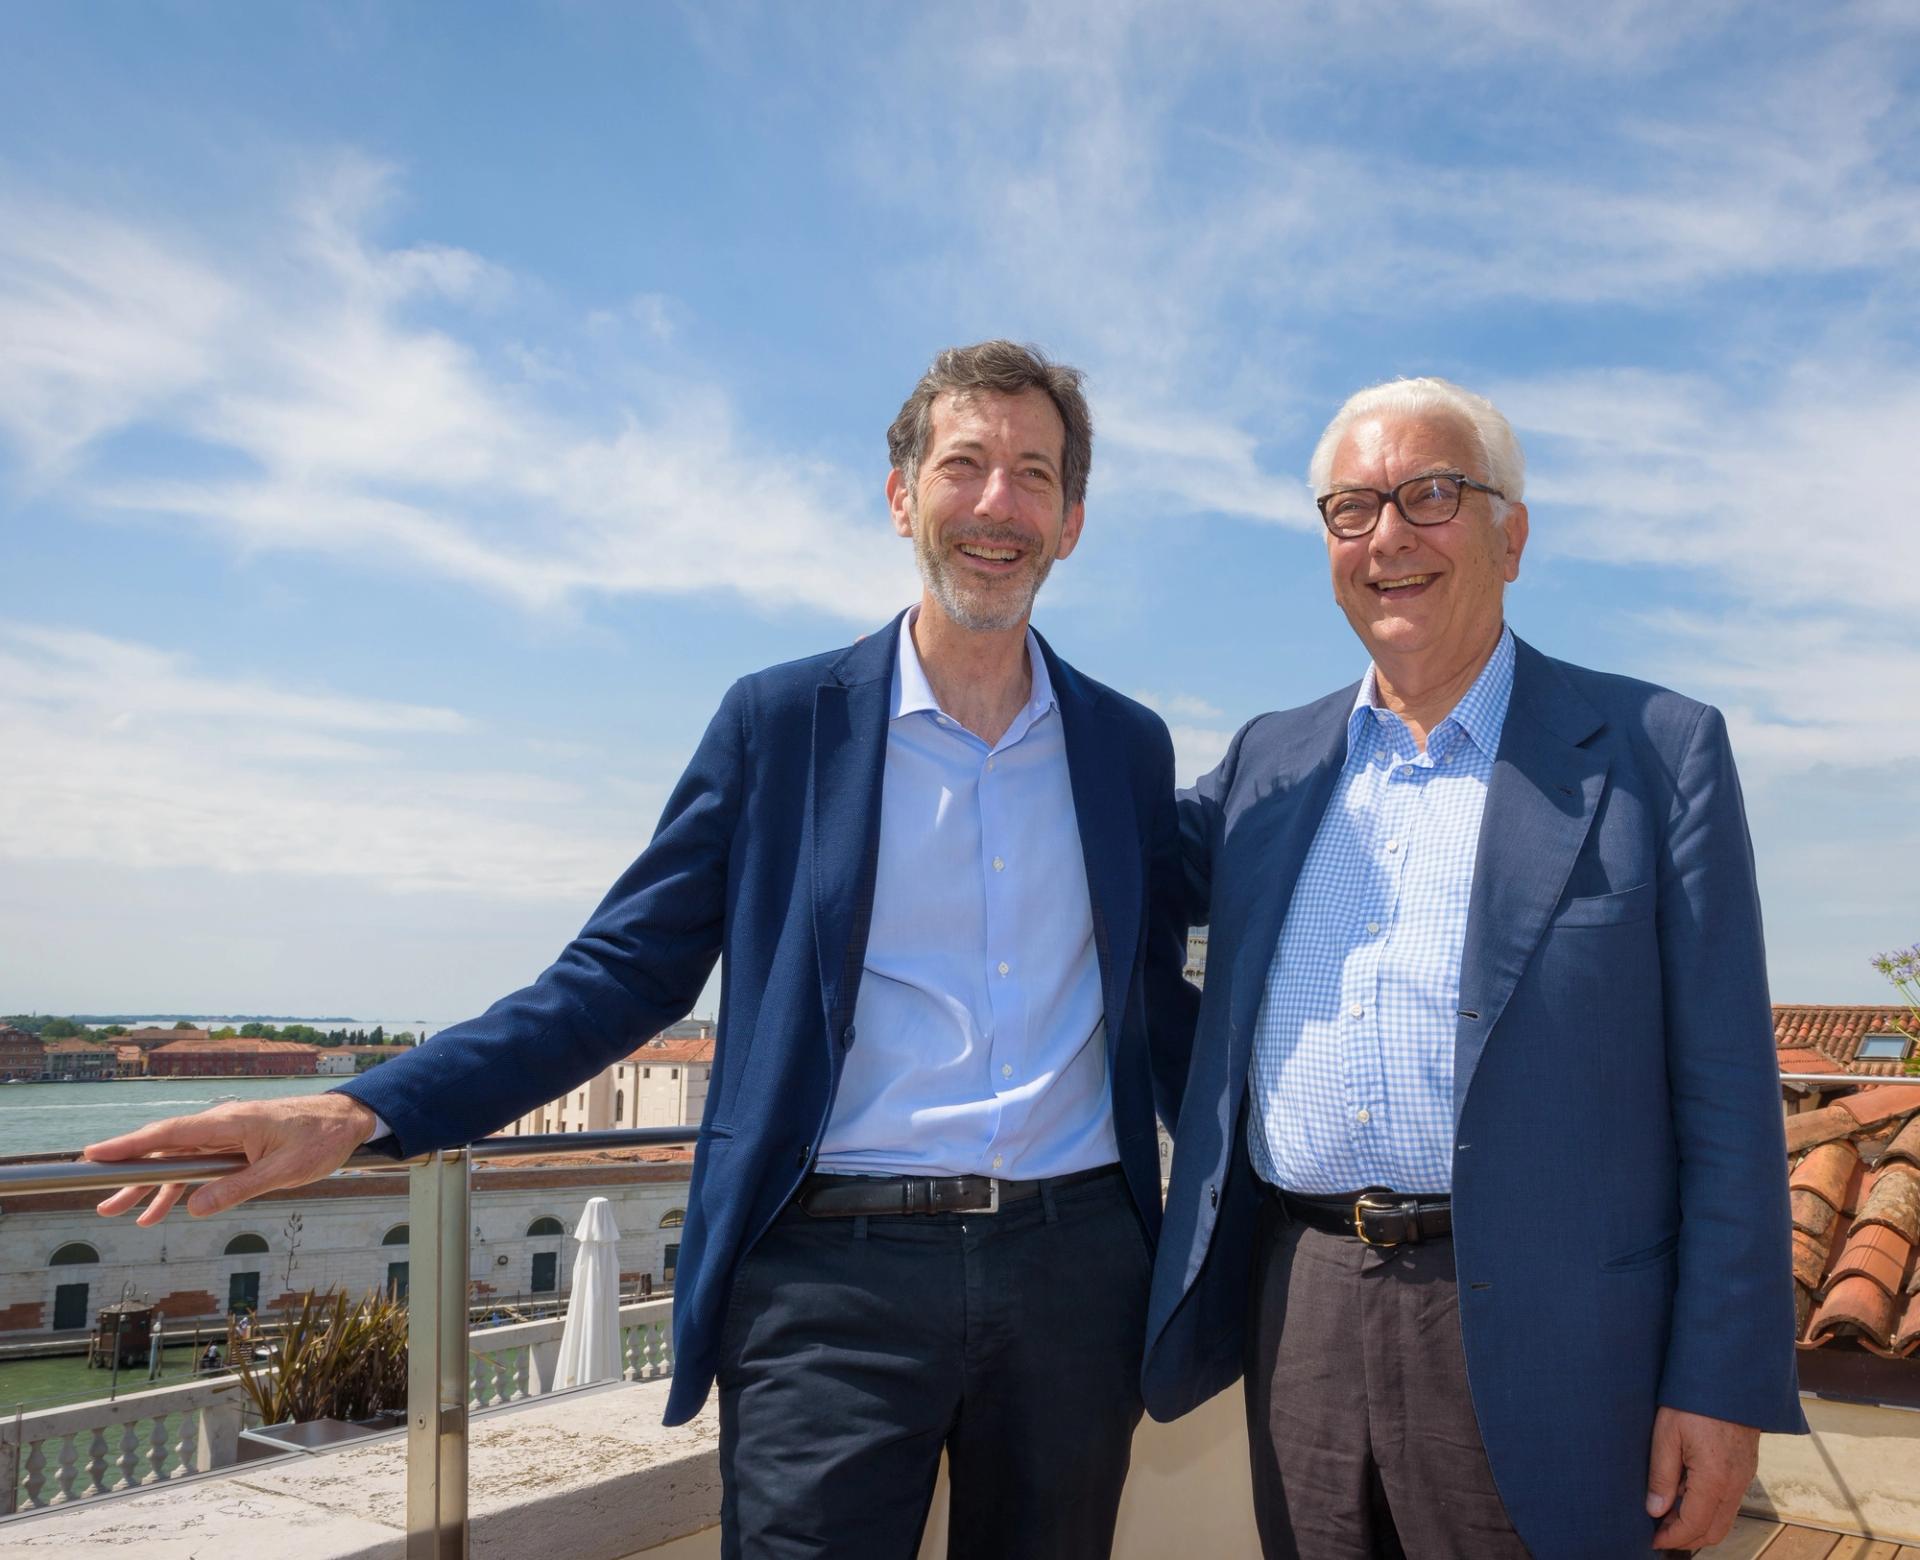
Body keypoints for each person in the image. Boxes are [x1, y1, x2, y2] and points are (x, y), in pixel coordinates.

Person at [86, 339, 1196, 1560]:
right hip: (834, 1280)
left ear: (1071, 521)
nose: (997, 503)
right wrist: (364, 1109)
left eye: (1033, 475)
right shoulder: (782, 725)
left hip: (1076, 1275)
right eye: (964, 465)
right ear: (901, 497)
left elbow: (1168, 996)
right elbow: (622, 973)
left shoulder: (1126, 748)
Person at [1142, 377, 1802, 1557]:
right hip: (1302, 1313)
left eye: (1432, 495)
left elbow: (1729, 1104)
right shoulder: (1266, 764)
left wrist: (1720, 1383)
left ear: (1513, 536)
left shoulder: (1657, 754)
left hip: (1559, 1342)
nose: (1388, 536)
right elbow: (1101, 885)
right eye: (1353, 508)